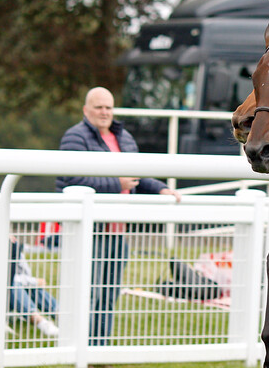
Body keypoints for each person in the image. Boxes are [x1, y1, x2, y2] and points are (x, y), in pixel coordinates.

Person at [56, 86, 181, 346]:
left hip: (117, 229)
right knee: (87, 291)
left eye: (108, 107)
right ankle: (78, 347)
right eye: (98, 107)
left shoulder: (123, 138)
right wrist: (118, 183)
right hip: (89, 229)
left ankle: (99, 348)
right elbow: (73, 178)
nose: (104, 112)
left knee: (109, 293)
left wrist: (160, 188)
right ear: (85, 110)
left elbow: (136, 174)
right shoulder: (74, 136)